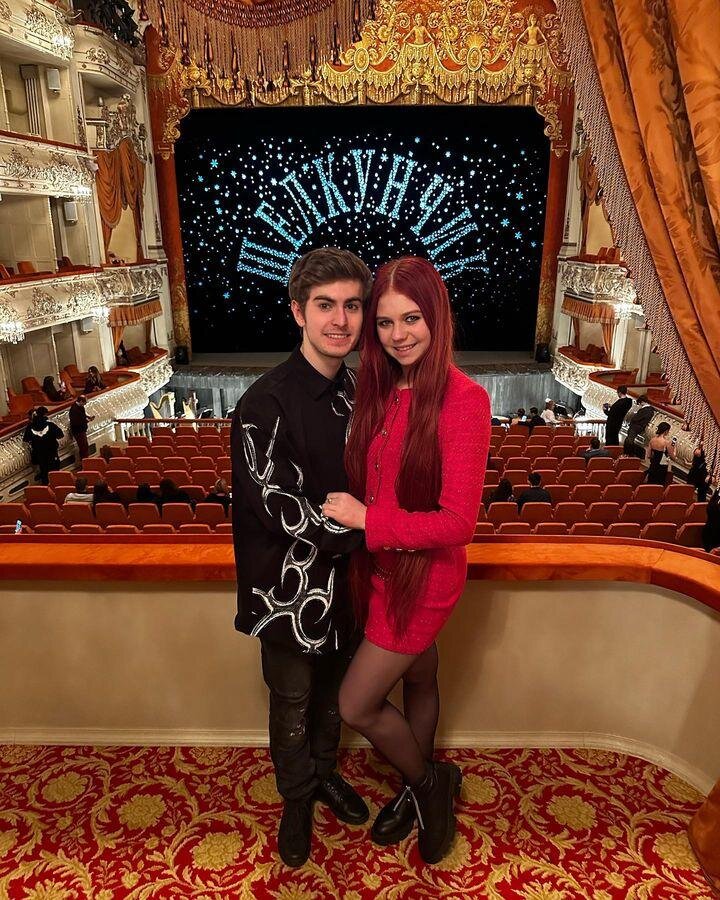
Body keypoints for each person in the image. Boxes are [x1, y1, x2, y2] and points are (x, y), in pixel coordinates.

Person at [323, 256, 491, 865]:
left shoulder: (465, 401)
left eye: (412, 318)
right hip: (382, 571)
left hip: (425, 580)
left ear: (436, 316)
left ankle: (429, 785)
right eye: (386, 322)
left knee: (356, 704)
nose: (399, 335)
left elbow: (457, 523)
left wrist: (368, 520)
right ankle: (416, 792)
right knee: (420, 677)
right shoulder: (380, 388)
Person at [231, 247, 373, 868]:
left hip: (349, 586)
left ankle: (325, 774)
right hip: (284, 592)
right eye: (325, 306)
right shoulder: (263, 402)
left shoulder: (364, 392)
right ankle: (296, 796)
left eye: (351, 306)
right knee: (291, 700)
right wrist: (375, 532)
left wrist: (376, 526)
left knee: (335, 697)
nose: (340, 320)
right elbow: (279, 506)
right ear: (298, 312)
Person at [22, 406, 63, 485]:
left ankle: (46, 487)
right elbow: (60, 435)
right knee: (54, 469)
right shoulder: (50, 425)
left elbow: (26, 439)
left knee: (44, 471)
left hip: (39, 454)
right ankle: (56, 486)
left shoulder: (30, 427)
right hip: (51, 452)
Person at [69, 395, 94, 461]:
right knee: (83, 447)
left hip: (82, 430)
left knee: (85, 446)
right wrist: (87, 420)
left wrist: (88, 417)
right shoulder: (74, 409)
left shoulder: (80, 406)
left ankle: (86, 460)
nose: (85, 404)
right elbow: (76, 422)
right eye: (85, 402)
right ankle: (85, 462)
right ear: (80, 401)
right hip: (78, 431)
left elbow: (82, 415)